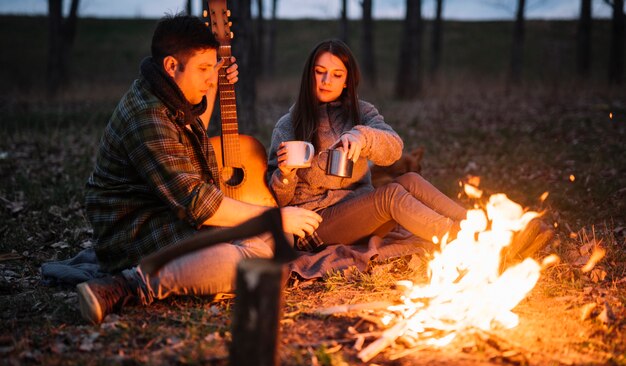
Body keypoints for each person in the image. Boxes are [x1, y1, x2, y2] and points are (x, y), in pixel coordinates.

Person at [77, 14, 321, 324]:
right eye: (204, 69)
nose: (210, 77)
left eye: (212, 68)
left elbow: (195, 137)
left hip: (166, 212)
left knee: (272, 243)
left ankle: (203, 272)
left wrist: (214, 83)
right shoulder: (147, 116)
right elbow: (198, 204)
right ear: (171, 66)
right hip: (135, 230)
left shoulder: (165, 95)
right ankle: (129, 286)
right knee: (259, 253)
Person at [267, 39, 467, 252]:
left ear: (346, 81)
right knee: (390, 196)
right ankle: (464, 242)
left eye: (337, 74)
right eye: (319, 71)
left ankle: (476, 226)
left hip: (362, 211)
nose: (327, 80)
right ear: (310, 75)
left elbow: (394, 149)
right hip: (315, 225)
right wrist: (285, 173)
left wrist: (362, 137)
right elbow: (277, 200)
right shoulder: (288, 125)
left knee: (410, 180)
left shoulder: (361, 112)